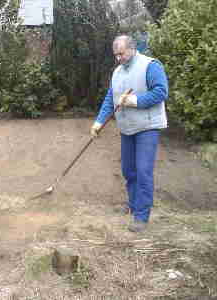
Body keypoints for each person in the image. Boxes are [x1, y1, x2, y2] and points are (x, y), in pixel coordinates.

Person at [90, 35, 168, 232]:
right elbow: (111, 98)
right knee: (129, 171)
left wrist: (133, 100)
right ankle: (134, 206)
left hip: (147, 127)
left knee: (143, 171)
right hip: (127, 128)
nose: (118, 58)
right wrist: (98, 122)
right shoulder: (117, 72)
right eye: (116, 55)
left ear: (132, 48)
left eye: (121, 54)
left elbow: (161, 92)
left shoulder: (150, 65)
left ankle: (141, 216)